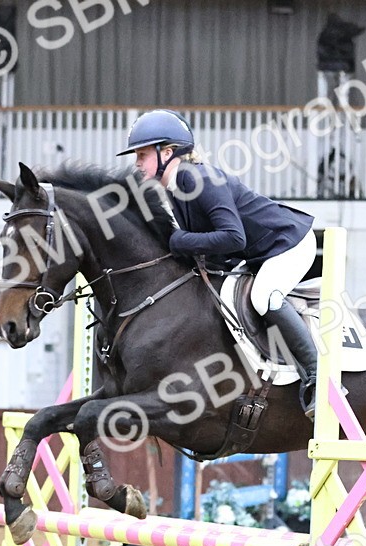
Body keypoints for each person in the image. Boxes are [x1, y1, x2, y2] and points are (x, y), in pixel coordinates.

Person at [118, 109, 320, 418]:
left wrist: (179, 241)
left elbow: (233, 238)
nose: (136, 163)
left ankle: (317, 377)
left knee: (263, 297)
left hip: (289, 243)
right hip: (260, 253)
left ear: (168, 152)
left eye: (142, 155)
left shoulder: (195, 178)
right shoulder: (176, 187)